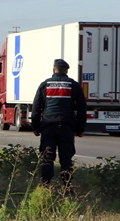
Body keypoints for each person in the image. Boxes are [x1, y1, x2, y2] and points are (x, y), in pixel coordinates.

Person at [31, 58, 88, 188]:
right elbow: (81, 109)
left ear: (54, 70)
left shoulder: (45, 85)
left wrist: (35, 127)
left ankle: (46, 186)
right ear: (67, 71)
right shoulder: (74, 85)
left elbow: (36, 108)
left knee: (47, 157)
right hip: (66, 127)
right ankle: (67, 186)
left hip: (48, 127)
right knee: (66, 158)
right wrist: (80, 128)